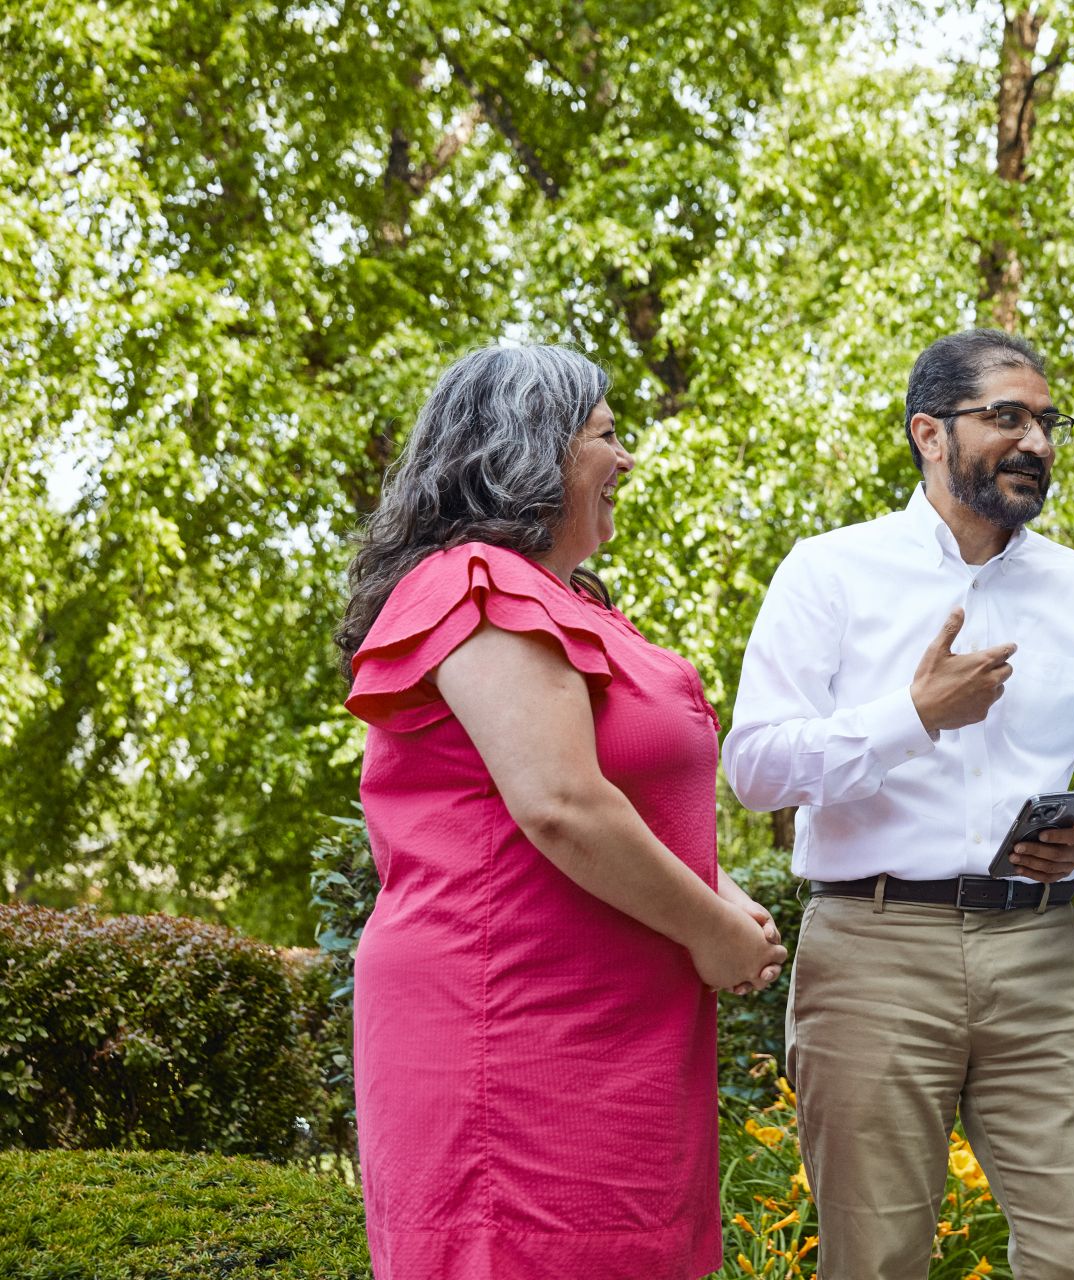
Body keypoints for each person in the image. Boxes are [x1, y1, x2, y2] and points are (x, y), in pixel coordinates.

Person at [723, 328, 1074, 1279]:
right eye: (1006, 417)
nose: (1036, 442)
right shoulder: (829, 571)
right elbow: (755, 767)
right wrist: (913, 717)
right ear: (929, 433)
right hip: (873, 951)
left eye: (1046, 422)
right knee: (874, 1261)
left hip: (1046, 952)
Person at [335, 345, 787, 1279]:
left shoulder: (570, 602)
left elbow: (621, 791)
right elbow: (561, 803)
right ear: (530, 450)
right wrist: (712, 933)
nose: (627, 459)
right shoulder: (479, 585)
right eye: (606, 436)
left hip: (608, 1036)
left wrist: (718, 888)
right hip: (512, 1031)